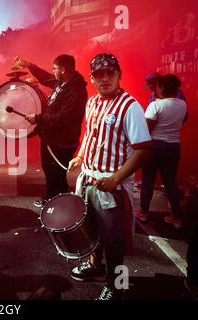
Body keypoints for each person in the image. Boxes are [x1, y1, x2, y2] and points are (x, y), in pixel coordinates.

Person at [68, 53, 152, 300]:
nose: (104, 79)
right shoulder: (92, 102)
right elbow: (90, 134)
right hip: (89, 179)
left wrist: (116, 178)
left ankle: (118, 286)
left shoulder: (130, 106)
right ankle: (96, 267)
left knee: (114, 241)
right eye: (98, 75)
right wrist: (81, 155)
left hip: (112, 186)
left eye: (109, 73)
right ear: (92, 78)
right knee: (92, 231)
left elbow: (143, 150)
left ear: (119, 75)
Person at [13, 55, 88, 208]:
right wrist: (29, 65)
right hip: (50, 138)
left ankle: (60, 205)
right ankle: (51, 198)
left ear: (64, 70)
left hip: (62, 141)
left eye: (55, 69)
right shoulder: (61, 82)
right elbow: (44, 77)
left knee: (57, 174)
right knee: (49, 170)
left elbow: (64, 117)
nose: (52, 72)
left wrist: (39, 119)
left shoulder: (76, 90)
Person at [135, 74, 188, 229]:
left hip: (155, 146)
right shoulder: (182, 104)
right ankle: (176, 217)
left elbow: (146, 128)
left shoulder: (156, 105)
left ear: (162, 87)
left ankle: (144, 212)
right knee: (170, 181)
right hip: (174, 147)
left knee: (148, 180)